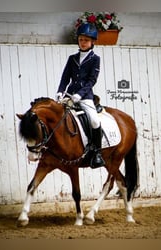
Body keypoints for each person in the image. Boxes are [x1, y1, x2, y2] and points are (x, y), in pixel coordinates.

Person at [55, 23, 105, 168]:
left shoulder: (95, 59)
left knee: (95, 121)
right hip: (70, 94)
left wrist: (80, 94)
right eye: (81, 39)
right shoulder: (72, 58)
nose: (83, 43)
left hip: (85, 96)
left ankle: (96, 153)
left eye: (86, 40)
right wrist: (60, 91)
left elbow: (92, 80)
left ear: (92, 42)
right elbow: (65, 77)